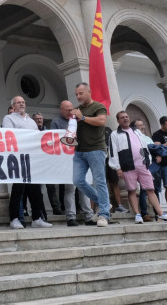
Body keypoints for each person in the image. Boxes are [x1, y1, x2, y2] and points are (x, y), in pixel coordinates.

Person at [108, 111, 167, 223]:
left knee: (150, 189)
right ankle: (138, 214)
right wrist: (117, 167)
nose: (125, 119)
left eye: (126, 117)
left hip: (142, 165)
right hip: (128, 166)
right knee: (131, 190)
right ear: (118, 120)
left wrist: (148, 160)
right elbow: (112, 152)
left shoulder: (137, 132)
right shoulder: (115, 134)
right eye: (122, 118)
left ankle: (160, 214)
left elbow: (144, 146)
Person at [3, 96, 52, 229]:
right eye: (18, 102)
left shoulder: (31, 121)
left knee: (35, 189)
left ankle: (36, 217)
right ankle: (14, 218)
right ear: (13, 106)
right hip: (18, 157)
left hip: (32, 158)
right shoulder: (9, 118)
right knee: (18, 189)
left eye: (23, 102)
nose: (22, 104)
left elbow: (38, 137)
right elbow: (10, 135)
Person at [71, 83, 112, 227]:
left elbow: (101, 121)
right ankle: (104, 203)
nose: (78, 96)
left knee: (99, 181)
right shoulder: (77, 110)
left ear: (89, 91)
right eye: (76, 94)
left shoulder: (98, 106)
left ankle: (104, 215)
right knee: (77, 180)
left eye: (81, 93)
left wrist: (82, 118)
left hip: (96, 149)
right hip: (79, 151)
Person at [51, 100, 94, 227]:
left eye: (71, 109)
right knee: (70, 189)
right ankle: (71, 217)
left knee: (84, 188)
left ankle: (89, 216)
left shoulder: (77, 120)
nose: (70, 111)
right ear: (61, 110)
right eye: (67, 110)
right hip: (66, 161)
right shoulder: (56, 122)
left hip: (81, 158)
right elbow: (54, 139)